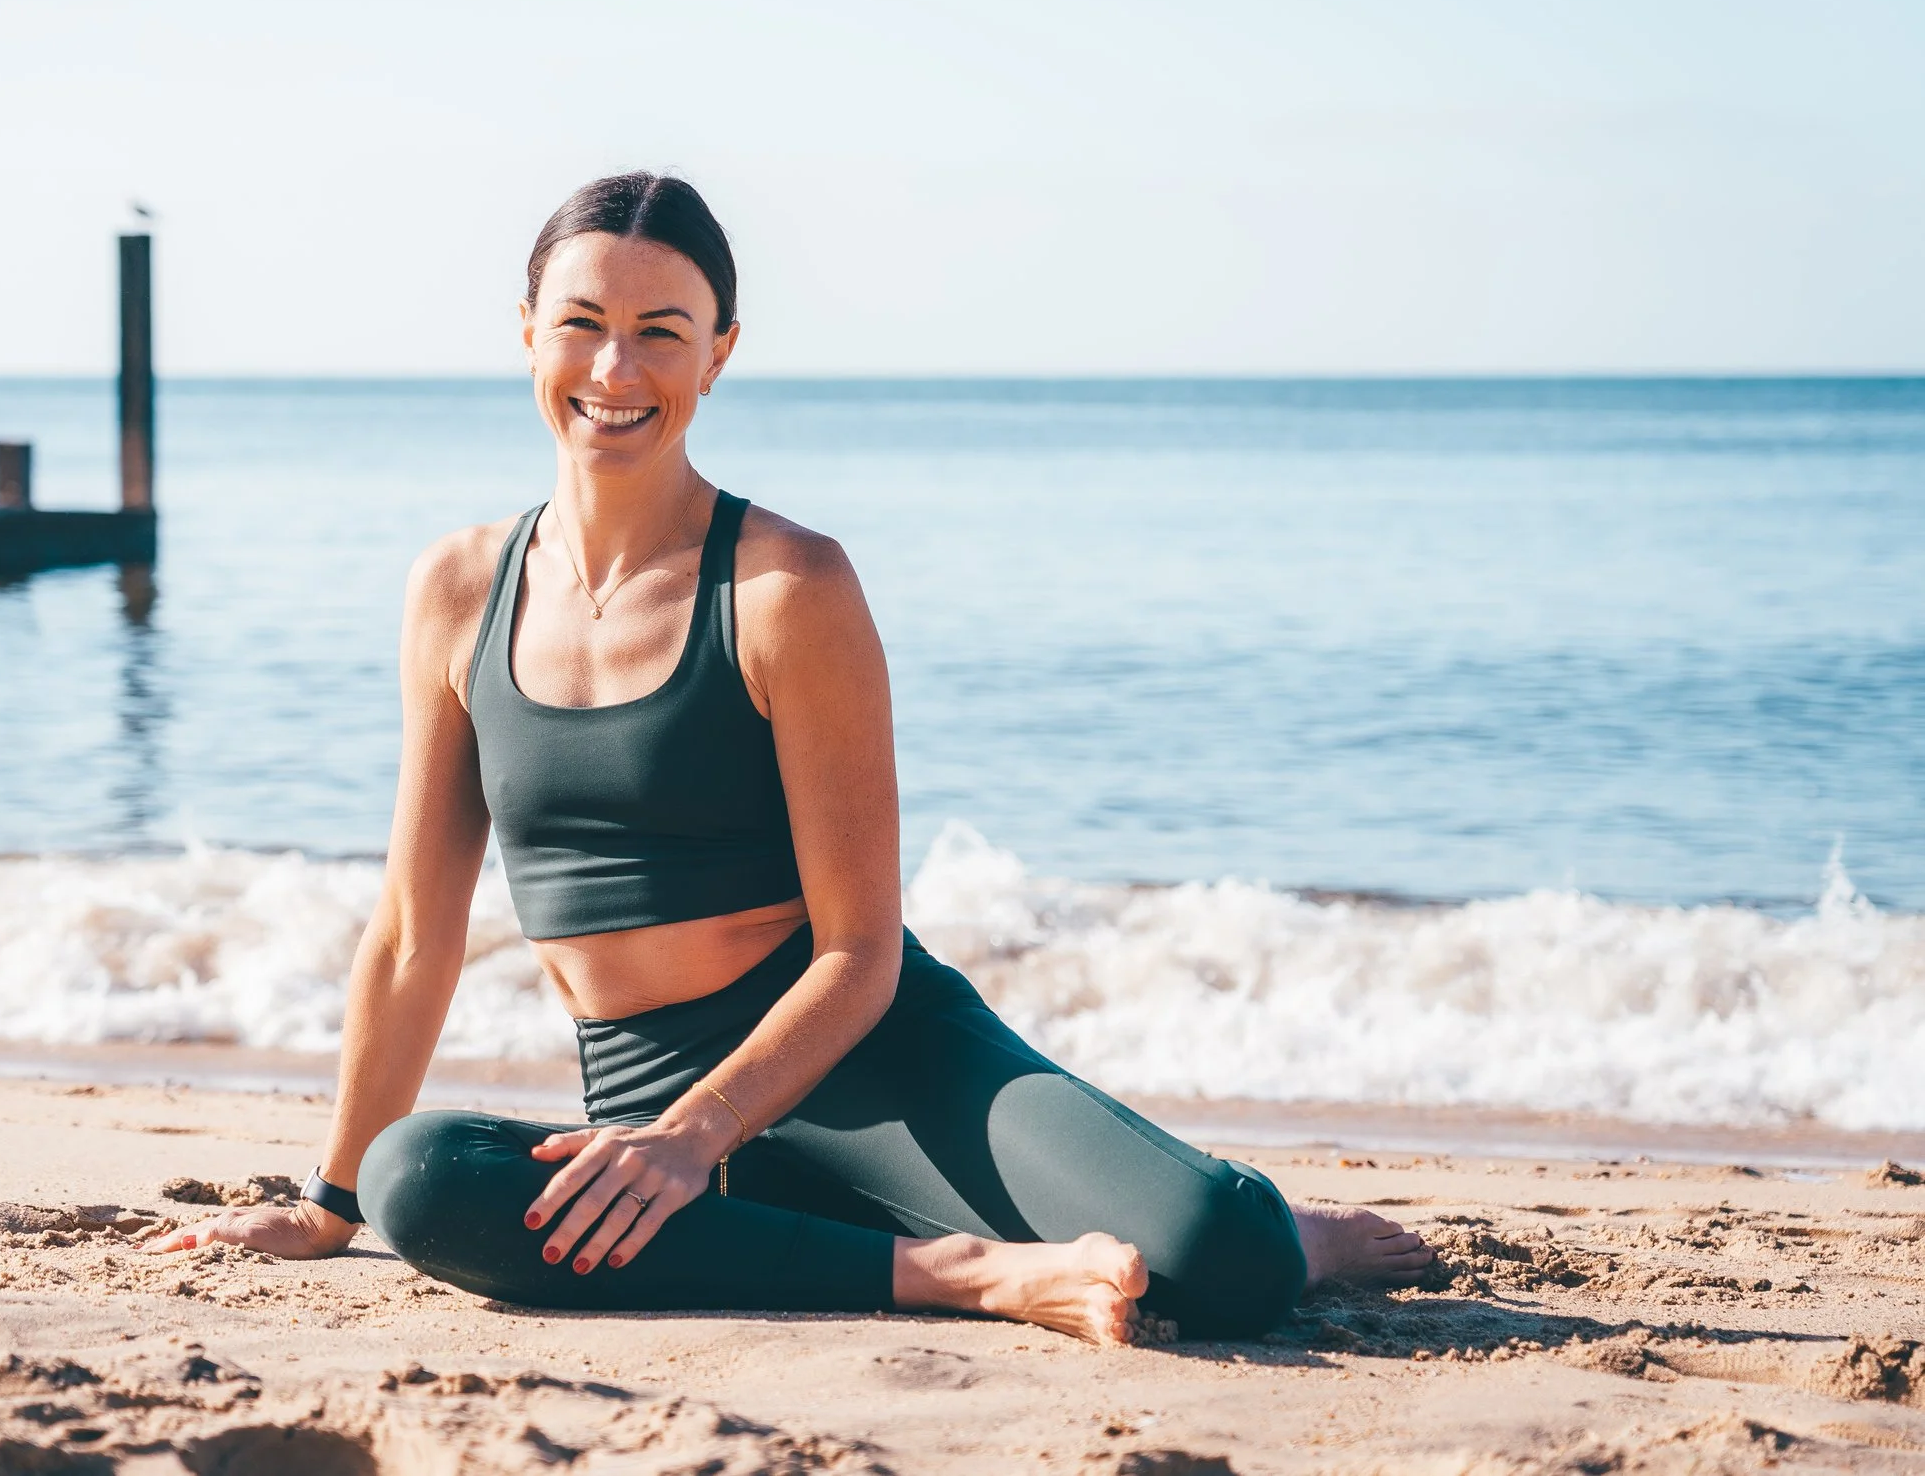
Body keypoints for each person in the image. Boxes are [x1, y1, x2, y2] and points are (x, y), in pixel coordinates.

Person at [141, 173, 1433, 1341]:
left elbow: (860, 950)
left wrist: (699, 1137)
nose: (615, 365)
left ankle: (1289, 1228)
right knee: (423, 1179)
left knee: (1223, 1257)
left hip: (874, 1060)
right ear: (527, 329)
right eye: (583, 320)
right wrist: (329, 1201)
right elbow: (413, 936)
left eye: (663, 330)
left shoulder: (783, 585)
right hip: (647, 1088)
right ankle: (973, 1272)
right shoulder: (458, 586)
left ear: (720, 354)